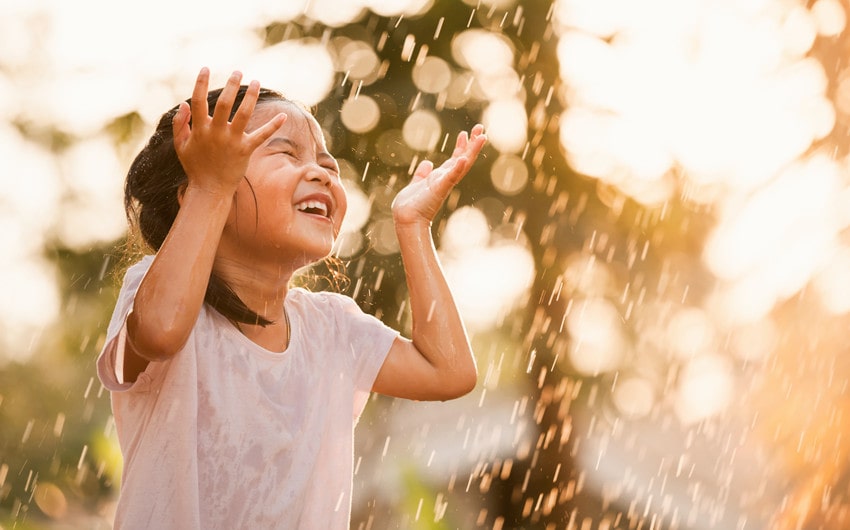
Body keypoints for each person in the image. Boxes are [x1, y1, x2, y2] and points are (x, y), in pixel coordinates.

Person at [96, 67, 486, 529]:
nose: (320, 173)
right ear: (194, 193)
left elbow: (450, 372)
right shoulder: (154, 292)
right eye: (285, 152)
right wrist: (211, 186)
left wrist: (413, 226)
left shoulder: (332, 329)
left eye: (328, 164)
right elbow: (159, 334)